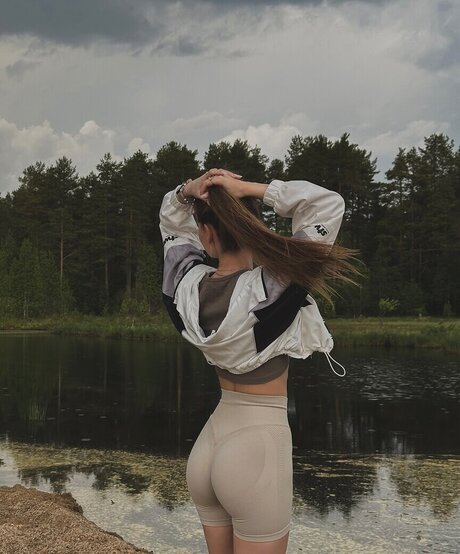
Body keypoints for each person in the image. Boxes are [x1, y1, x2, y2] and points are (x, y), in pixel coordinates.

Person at [159, 168, 357, 554]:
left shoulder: (185, 286)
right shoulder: (273, 286)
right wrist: (248, 188)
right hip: (256, 448)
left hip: (208, 447)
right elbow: (328, 205)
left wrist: (188, 190)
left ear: (206, 234)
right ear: (250, 228)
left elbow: (171, 223)